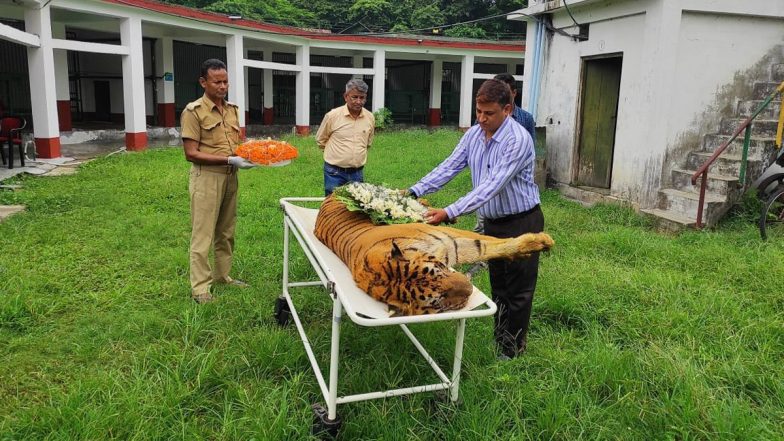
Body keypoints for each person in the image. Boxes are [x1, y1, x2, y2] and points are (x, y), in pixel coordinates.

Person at [406, 79, 543, 360]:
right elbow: (450, 166)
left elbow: (491, 186)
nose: (481, 118)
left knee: (518, 290)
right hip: (493, 224)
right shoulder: (474, 134)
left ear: (507, 109)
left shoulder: (517, 140)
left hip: (521, 222)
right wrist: (414, 191)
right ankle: (501, 341)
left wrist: (449, 211)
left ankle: (512, 352)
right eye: (478, 112)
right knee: (499, 287)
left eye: (488, 113)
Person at [181, 58, 256, 304]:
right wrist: (229, 160)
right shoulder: (193, 112)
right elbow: (190, 153)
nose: (223, 86)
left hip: (230, 177)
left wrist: (252, 152)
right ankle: (200, 288)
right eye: (217, 82)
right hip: (207, 178)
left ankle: (223, 276)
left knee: (226, 231)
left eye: (225, 81)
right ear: (203, 82)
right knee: (202, 234)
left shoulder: (232, 109)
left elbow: (237, 144)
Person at [316, 78, 375, 196]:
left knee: (356, 208)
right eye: (354, 97)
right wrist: (337, 155)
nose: (358, 101)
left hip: (357, 173)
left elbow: (367, 143)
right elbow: (321, 140)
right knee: (333, 206)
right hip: (334, 172)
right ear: (346, 96)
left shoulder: (370, 117)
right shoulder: (333, 116)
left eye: (362, 97)